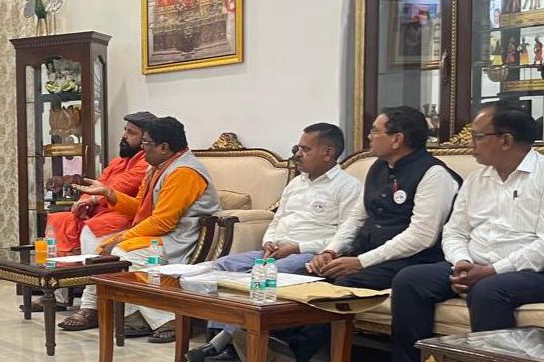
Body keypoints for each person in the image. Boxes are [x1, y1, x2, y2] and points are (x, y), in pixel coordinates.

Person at [274, 106, 462, 362]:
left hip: (412, 260)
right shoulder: (378, 168)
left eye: (375, 131)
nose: (369, 137)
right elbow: (356, 218)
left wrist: (361, 262)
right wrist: (331, 251)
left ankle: (296, 355)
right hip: (367, 253)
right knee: (301, 277)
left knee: (340, 287)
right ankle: (272, 347)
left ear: (397, 139)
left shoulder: (434, 174)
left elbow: (421, 236)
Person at [186, 123, 362, 362]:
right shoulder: (296, 183)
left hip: (309, 254)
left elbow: (347, 236)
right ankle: (218, 338)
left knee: (260, 276)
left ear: (328, 153)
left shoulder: (348, 187)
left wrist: (297, 248)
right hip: (276, 250)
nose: (297, 154)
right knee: (221, 267)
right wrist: (269, 241)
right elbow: (277, 220)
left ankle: (224, 346)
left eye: (305, 149)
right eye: (297, 148)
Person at [391, 101, 544, 362]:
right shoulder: (476, 179)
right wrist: (462, 262)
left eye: (478, 136)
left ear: (506, 140)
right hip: (475, 264)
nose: (470, 143)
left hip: (530, 272)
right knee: (410, 280)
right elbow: (454, 232)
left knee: (488, 290)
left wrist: (492, 271)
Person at [58, 116, 220, 343]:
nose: (142, 149)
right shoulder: (157, 167)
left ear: (164, 147)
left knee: (124, 253)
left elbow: (163, 222)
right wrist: (108, 193)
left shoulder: (184, 172)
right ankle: (101, 309)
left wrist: (122, 237)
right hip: (161, 235)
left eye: (146, 143)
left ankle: (168, 319)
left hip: (181, 238)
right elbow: (141, 208)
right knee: (103, 250)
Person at [21, 111, 154, 312]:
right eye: (125, 130)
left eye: (131, 132)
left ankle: (92, 305)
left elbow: (121, 187)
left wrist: (92, 200)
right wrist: (82, 202)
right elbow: (97, 183)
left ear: (146, 138)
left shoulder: (146, 162)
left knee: (93, 228)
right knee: (59, 220)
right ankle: (57, 293)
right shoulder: (119, 161)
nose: (124, 135)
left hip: (123, 213)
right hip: (99, 208)